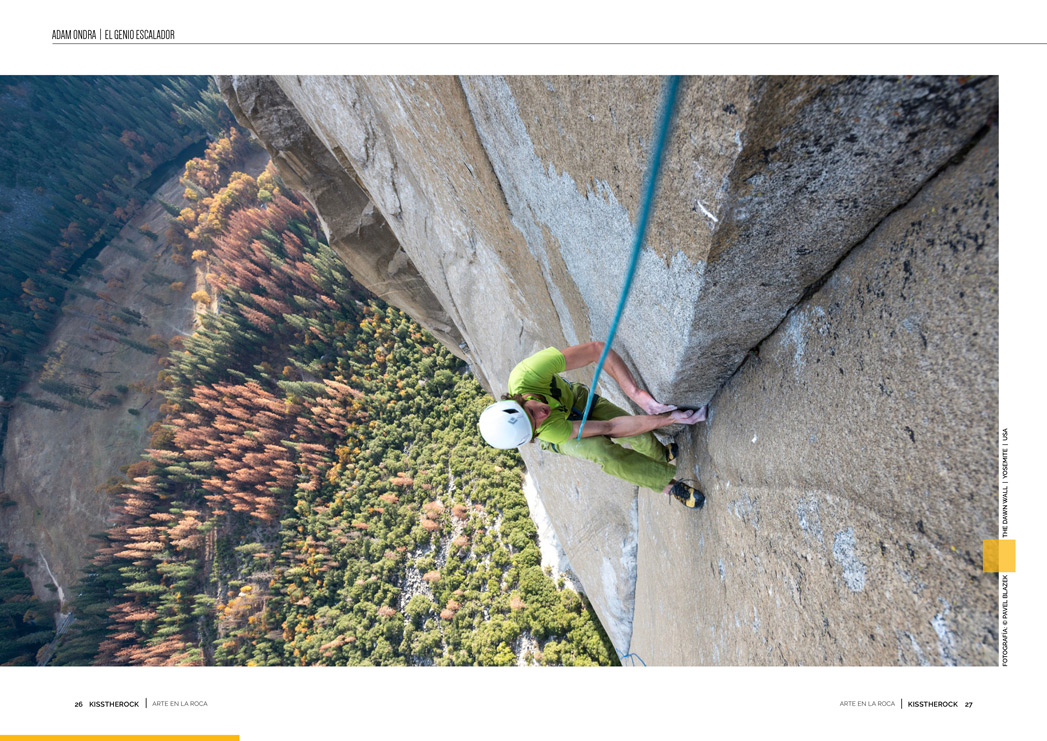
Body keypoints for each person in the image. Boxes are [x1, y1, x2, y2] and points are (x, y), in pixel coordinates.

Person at [478, 342, 707, 508]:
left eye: (531, 410)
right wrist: (670, 419)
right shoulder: (550, 429)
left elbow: (596, 350)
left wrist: (636, 394)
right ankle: (669, 485)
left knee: (635, 432)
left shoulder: (528, 373)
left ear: (518, 399)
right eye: (535, 424)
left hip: (574, 400)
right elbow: (608, 429)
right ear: (535, 433)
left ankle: (659, 454)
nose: (542, 414)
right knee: (603, 451)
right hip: (565, 431)